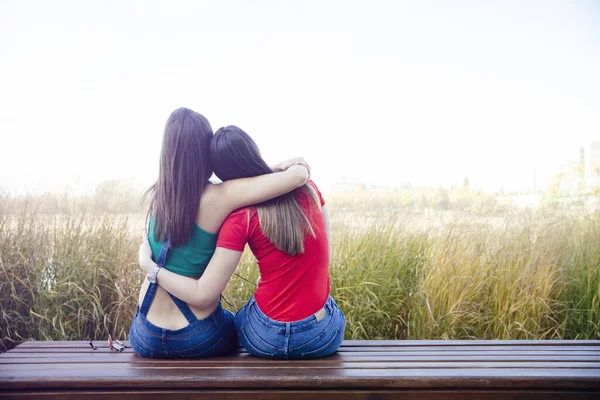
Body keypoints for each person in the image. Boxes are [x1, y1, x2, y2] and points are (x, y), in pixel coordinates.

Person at [139, 125, 346, 360]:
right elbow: (325, 255)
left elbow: (204, 292)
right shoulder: (310, 190)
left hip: (264, 340)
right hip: (322, 336)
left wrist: (151, 267)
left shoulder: (237, 217)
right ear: (253, 150)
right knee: (325, 305)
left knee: (240, 319)